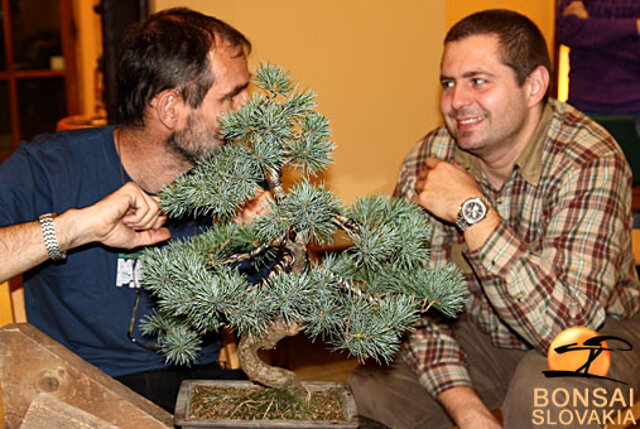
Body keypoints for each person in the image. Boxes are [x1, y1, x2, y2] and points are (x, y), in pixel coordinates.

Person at [348, 9, 640, 429]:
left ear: (534, 86)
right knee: (373, 389)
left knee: (546, 396)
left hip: (598, 333)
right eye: (448, 83)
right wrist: (469, 412)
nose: (456, 101)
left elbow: (567, 329)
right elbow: (416, 310)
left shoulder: (591, 159)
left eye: (478, 81)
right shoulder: (429, 161)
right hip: (483, 329)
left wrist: (474, 211)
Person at [0, 8, 268, 413]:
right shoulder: (51, 168)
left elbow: (287, 308)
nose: (251, 109)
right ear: (170, 108)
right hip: (77, 393)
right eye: (231, 96)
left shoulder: (238, 182)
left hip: (197, 389)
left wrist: (266, 241)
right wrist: (76, 227)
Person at [557, 0, 640, 133]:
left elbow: (580, 33)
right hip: (583, 105)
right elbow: (568, 31)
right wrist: (634, 27)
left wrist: (593, 34)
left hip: (635, 104)